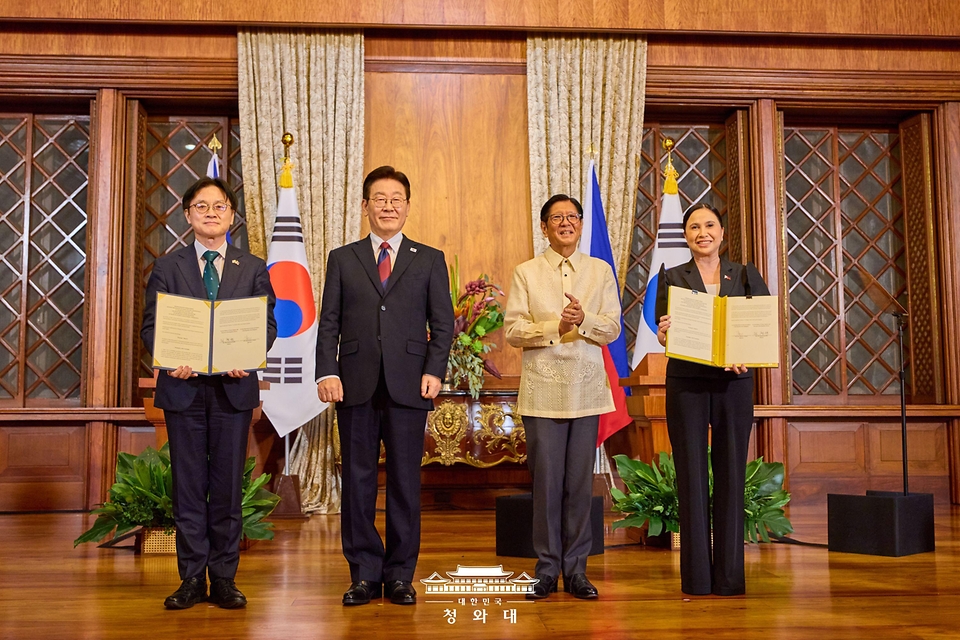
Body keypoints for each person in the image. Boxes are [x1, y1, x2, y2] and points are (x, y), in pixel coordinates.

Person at [316, 166, 454, 606]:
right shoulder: (343, 257)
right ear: (365, 206)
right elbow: (329, 323)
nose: (389, 205)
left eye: (397, 198)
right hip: (353, 385)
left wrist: (434, 370)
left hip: (410, 385)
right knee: (357, 483)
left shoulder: (429, 258)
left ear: (408, 207)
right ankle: (363, 574)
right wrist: (327, 371)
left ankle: (399, 575)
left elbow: (443, 324)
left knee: (404, 483)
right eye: (380, 198)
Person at [141, 177, 277, 609]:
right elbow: (151, 328)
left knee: (226, 488)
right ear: (187, 215)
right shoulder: (168, 266)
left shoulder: (252, 267)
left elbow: (267, 325)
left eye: (220, 206)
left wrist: (251, 352)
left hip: (233, 390)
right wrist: (169, 356)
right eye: (202, 206)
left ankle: (223, 579)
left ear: (232, 215)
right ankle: (189, 580)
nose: (212, 213)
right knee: (188, 487)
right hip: (183, 390)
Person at [504, 194, 622, 600]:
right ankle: (546, 569)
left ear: (581, 224)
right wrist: (557, 324)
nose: (565, 223)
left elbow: (612, 329)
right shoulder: (526, 272)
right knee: (547, 485)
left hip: (587, 391)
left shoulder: (600, 270)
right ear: (544, 226)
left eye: (572, 217)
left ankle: (577, 571)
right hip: (542, 392)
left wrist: (583, 319)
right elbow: (514, 331)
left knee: (578, 485)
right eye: (557, 218)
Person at [654, 203, 770, 596]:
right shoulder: (670, 277)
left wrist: (747, 353)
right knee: (690, 477)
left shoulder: (746, 274)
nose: (702, 232)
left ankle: (730, 578)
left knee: (732, 475)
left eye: (709, 225)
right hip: (686, 385)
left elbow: (763, 327)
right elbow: (663, 332)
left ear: (722, 233)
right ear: (685, 235)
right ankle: (697, 579)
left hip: (733, 386)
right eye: (693, 227)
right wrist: (665, 333)